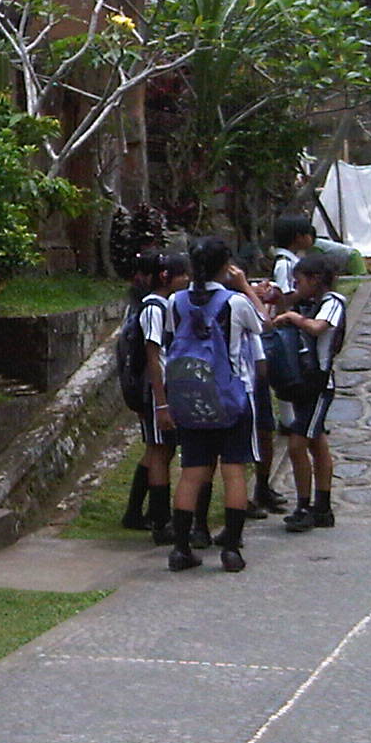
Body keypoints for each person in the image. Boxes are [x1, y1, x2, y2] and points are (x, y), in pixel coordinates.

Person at [163, 236, 267, 574]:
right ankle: (232, 550)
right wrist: (245, 286)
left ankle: (180, 549)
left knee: (191, 473)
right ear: (226, 265)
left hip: (190, 399)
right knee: (233, 471)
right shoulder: (234, 302)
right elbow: (262, 324)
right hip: (232, 398)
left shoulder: (175, 302)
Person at [270, 252, 347, 532]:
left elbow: (318, 328)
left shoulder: (332, 303)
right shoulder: (310, 302)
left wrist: (292, 316)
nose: (296, 285)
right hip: (305, 384)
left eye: (299, 281)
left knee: (297, 444)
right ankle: (321, 506)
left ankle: (305, 505)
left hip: (318, 385)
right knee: (317, 443)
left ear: (315, 280)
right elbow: (284, 304)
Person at [116, 249, 189, 545]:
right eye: (183, 275)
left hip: (157, 390)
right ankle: (161, 520)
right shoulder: (153, 309)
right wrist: (161, 401)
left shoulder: (160, 305)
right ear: (165, 277)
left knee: (160, 450)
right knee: (159, 450)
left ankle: (137, 512)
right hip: (154, 391)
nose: (186, 280)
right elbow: (153, 354)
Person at [247, 218, 314, 519]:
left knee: (267, 422)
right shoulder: (286, 265)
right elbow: (280, 304)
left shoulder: (286, 261)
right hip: (271, 344)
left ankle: (262, 486)